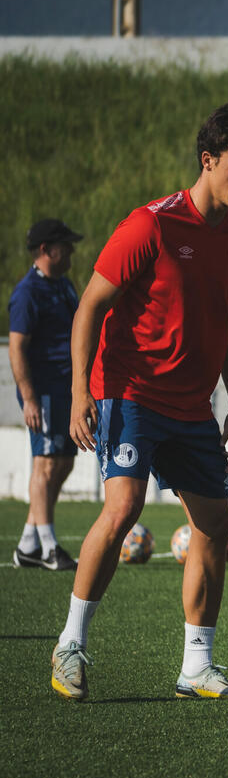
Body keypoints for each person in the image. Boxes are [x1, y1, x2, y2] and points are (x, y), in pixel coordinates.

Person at [50, 102, 228, 703]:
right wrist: (79, 391)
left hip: (193, 407)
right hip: (131, 393)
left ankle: (196, 667)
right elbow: (90, 307)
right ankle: (70, 644)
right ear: (207, 160)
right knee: (124, 506)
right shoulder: (150, 225)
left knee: (216, 523)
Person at [9, 219, 84, 570]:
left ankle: (28, 543)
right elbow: (17, 347)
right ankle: (50, 548)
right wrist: (29, 398)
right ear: (45, 250)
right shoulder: (27, 293)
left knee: (64, 462)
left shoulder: (63, 285)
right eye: (64, 246)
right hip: (45, 392)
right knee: (46, 464)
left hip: (67, 389)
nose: (71, 251)